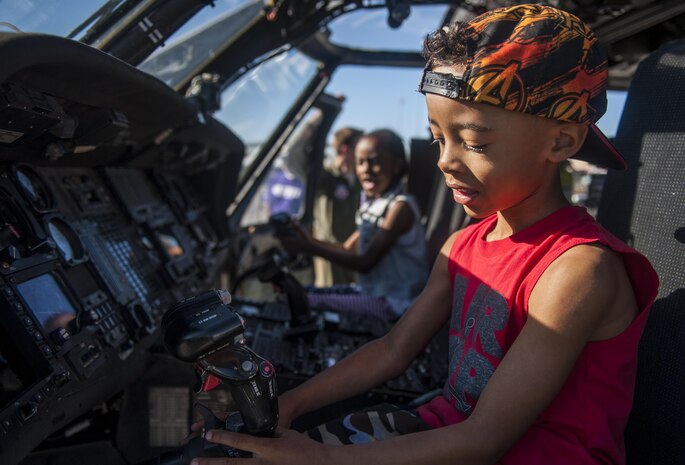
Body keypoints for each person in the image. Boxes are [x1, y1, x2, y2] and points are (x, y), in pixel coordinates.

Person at [191, 5, 659, 465]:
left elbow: (487, 438)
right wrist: (290, 404)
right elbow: (394, 350)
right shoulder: (464, 246)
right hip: (448, 429)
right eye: (439, 138)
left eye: (474, 142)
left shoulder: (578, 270)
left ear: (561, 141)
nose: (445, 161)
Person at [280, 128, 429, 321]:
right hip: (374, 292)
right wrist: (309, 242)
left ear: (396, 165)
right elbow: (348, 249)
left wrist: (309, 247)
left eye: (375, 162)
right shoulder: (374, 205)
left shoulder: (400, 208)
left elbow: (365, 262)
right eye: (360, 162)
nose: (365, 169)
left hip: (396, 303)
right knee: (299, 292)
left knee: (308, 301)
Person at [312, 126, 363, 287]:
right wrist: (316, 121)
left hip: (355, 253)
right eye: (358, 147)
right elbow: (294, 158)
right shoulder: (326, 177)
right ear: (345, 149)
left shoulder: (361, 177)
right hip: (330, 255)